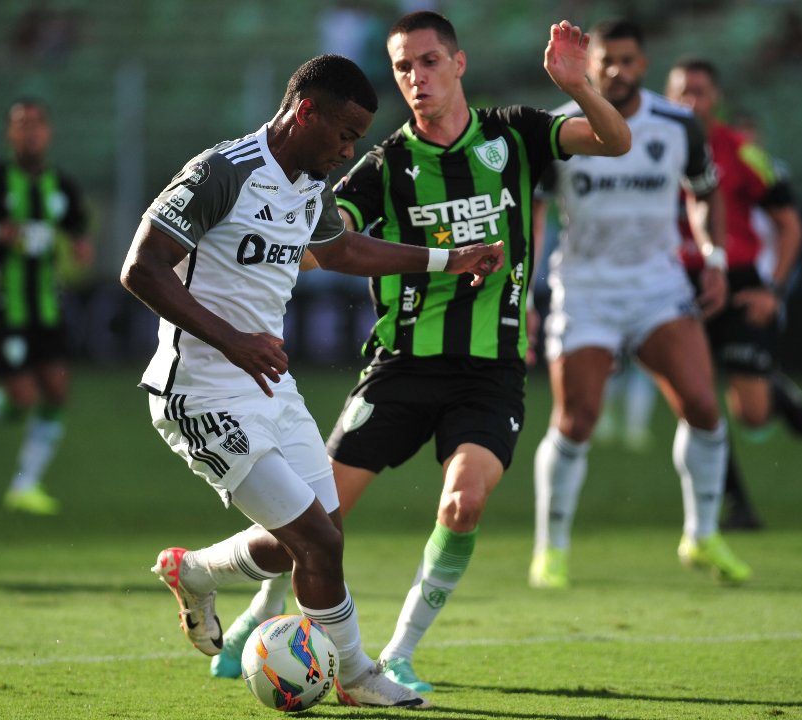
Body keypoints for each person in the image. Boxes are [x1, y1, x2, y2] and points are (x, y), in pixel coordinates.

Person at [211, 12, 630, 692]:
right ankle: (261, 612)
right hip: (399, 367)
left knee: (462, 504)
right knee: (317, 518)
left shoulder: (514, 133)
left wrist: (578, 85)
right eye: (404, 67)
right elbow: (325, 245)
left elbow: (615, 139)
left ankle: (399, 652)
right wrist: (265, 252)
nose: (417, 78)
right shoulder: (385, 166)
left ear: (459, 64)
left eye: (430, 61)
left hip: (490, 372)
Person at [122, 53, 505, 709]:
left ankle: (193, 572)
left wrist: (446, 259)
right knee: (319, 540)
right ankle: (357, 675)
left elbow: (342, 250)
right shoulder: (223, 172)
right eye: (345, 134)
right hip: (199, 390)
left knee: (310, 535)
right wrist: (234, 341)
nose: (349, 149)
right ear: (306, 112)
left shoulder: (306, 181)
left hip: (267, 386)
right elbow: (142, 267)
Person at [529, 18, 751, 590]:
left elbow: (704, 193)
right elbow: (535, 210)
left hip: (659, 286)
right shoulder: (559, 128)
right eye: (606, 60)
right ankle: (550, 548)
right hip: (586, 288)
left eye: (627, 61)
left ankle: (701, 534)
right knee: (576, 421)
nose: (615, 71)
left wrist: (714, 257)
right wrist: (529, 290)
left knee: (703, 405)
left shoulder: (678, 124)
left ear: (643, 64)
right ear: (591, 62)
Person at [665, 58, 802, 531]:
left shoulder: (744, 152)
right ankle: (736, 507)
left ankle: (775, 391)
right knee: (696, 403)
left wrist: (774, 290)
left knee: (751, 415)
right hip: (675, 286)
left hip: (740, 282)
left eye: (700, 92)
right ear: (667, 98)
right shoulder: (647, 148)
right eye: (682, 92)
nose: (690, 101)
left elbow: (790, 225)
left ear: (716, 99)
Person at [0, 99, 93, 516]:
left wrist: (81, 245)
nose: (29, 132)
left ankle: (25, 485)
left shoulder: (59, 184)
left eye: (36, 124)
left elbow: (78, 228)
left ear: (48, 132)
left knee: (57, 390)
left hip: (46, 301)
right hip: (3, 300)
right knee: (24, 395)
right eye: (21, 125)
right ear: (11, 134)